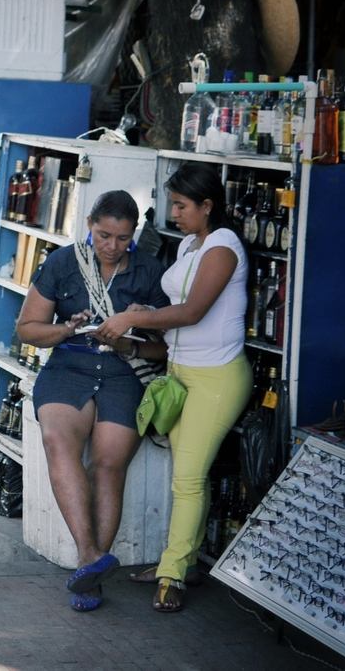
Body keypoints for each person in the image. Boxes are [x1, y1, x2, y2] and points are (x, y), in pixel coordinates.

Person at [94, 162, 251, 613]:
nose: (174, 213)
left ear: (208, 205)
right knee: (187, 475)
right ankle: (182, 563)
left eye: (182, 205)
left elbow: (193, 312)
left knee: (187, 478)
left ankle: (171, 574)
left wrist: (131, 317)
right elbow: (177, 305)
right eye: (172, 203)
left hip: (217, 377)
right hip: (180, 373)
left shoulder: (222, 247)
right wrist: (145, 309)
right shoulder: (188, 245)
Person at [16, 190, 170, 612]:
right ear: (89, 224)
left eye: (122, 238)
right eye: (104, 235)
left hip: (124, 373)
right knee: (58, 441)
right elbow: (27, 329)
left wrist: (135, 335)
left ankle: (90, 577)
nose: (112, 246)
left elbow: (167, 349)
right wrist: (66, 329)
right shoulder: (64, 263)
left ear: (133, 235)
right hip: (69, 368)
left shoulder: (150, 271)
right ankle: (89, 556)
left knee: (108, 465)